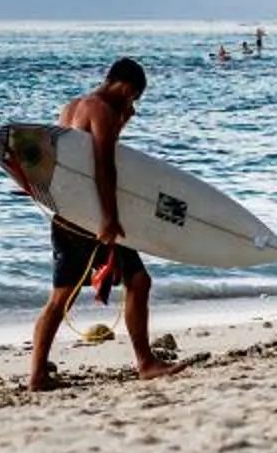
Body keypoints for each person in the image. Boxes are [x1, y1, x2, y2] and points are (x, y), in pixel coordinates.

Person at [28, 57, 182, 391]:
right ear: (125, 87)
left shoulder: (72, 107)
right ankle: (145, 363)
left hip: (67, 214)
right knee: (138, 282)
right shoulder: (102, 111)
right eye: (134, 97)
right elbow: (104, 166)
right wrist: (110, 219)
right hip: (94, 218)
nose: (133, 104)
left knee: (61, 297)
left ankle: (37, 374)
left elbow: (70, 165)